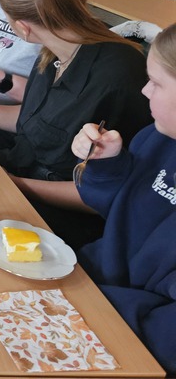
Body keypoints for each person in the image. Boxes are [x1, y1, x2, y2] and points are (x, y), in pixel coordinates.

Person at [0, 0, 152, 248]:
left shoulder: (119, 76)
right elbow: (35, 121)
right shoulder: (52, 53)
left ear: (23, 28)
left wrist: (14, 184)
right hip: (19, 172)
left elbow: (107, 192)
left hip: (60, 216)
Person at [71, 23, 175, 375]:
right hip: (91, 280)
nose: (144, 90)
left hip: (130, 332)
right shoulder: (157, 137)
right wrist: (107, 164)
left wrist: (89, 304)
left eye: (156, 83)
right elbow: (114, 208)